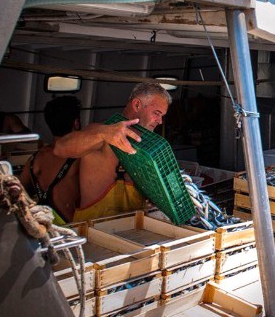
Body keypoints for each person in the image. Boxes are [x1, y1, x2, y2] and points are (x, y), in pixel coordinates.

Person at [53, 82, 172, 222]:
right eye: (157, 113)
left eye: (162, 116)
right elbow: (60, 148)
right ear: (137, 105)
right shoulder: (100, 131)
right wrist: (102, 134)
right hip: (93, 233)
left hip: (132, 233)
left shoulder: (148, 148)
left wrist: (153, 198)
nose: (160, 121)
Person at [19, 96, 82, 224]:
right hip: (70, 229)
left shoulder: (34, 159)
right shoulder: (79, 159)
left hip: (44, 226)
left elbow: (20, 192)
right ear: (76, 123)